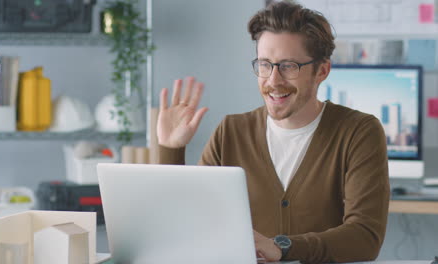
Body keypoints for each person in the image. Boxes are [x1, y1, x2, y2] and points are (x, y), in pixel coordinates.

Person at [157, 1, 390, 263]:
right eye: (265, 64)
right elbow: (188, 223)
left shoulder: (358, 131)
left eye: (288, 66)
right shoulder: (231, 131)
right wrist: (171, 149)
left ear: (322, 70)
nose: (273, 81)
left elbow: (365, 238)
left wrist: (283, 248)